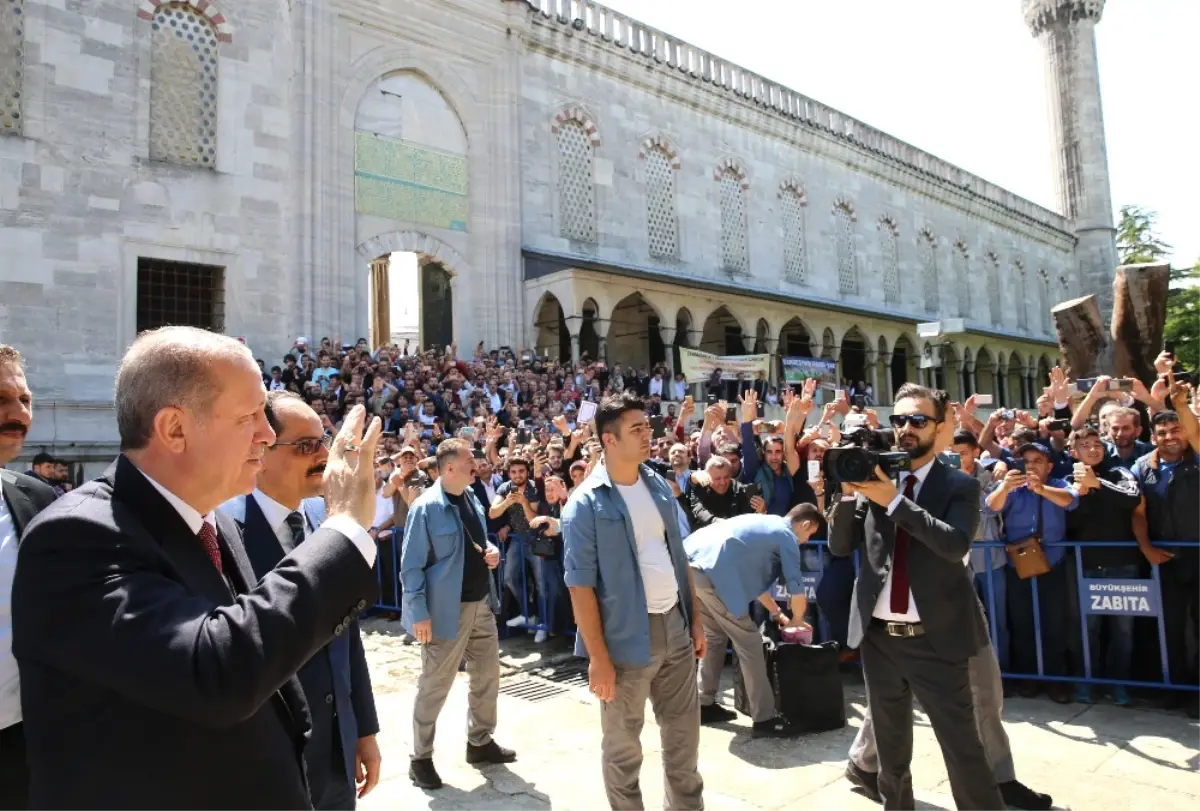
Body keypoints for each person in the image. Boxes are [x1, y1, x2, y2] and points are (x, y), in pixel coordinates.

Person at [11, 328, 383, 811]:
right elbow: (217, 670)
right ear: (174, 429)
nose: (267, 435)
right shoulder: (75, 538)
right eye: (249, 417)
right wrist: (346, 528)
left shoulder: (212, 522)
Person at [828, 383, 1004, 811]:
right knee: (890, 748)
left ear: (940, 427)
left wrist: (894, 502)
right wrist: (851, 494)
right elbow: (838, 546)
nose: (905, 428)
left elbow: (955, 544)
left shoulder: (958, 485)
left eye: (918, 420)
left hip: (937, 637)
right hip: (879, 636)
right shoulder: (875, 479)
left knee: (962, 746)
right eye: (899, 419)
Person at [219, 391, 381, 809]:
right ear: (261, 449)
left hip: (336, 752)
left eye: (323, 441)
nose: (324, 454)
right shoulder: (221, 532)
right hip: (270, 761)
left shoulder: (324, 521)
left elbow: (346, 634)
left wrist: (362, 728)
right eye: (306, 445)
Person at [562, 391, 705, 811]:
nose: (648, 436)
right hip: (623, 642)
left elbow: (678, 556)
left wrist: (694, 621)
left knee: (685, 745)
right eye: (637, 429)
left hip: (675, 629)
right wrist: (597, 658)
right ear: (609, 440)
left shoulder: (657, 485)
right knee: (623, 752)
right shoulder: (584, 505)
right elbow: (580, 587)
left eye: (648, 426)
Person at [400, 438, 513, 790]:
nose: (476, 465)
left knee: (487, 676)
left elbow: (478, 542)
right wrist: (419, 613)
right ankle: (420, 758)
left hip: (480, 604)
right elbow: (411, 567)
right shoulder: (426, 508)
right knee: (435, 685)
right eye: (468, 461)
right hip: (445, 612)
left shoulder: (470, 498)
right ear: (449, 467)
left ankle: (479, 742)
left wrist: (491, 551)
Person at [685, 507, 818, 736]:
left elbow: (758, 590)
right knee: (750, 643)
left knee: (715, 637)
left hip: (692, 568)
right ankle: (765, 719)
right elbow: (796, 589)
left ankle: (704, 705)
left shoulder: (764, 524)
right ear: (805, 524)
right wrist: (797, 619)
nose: (807, 541)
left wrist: (779, 615)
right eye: (810, 534)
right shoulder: (786, 535)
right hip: (713, 575)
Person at [0, 345, 58, 810]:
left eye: (24, 400)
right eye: (1, 400)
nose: (18, 413)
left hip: (22, 742)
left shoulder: (37, 500)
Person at [985, 440, 1079, 702]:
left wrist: (1042, 489)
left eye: (1038, 461)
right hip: (1019, 564)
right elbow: (991, 506)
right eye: (1027, 461)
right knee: (1022, 622)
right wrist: (1004, 486)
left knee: (1055, 623)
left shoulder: (1058, 484)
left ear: (1049, 465)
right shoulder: (1014, 489)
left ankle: (1057, 680)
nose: (1032, 466)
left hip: (1053, 563)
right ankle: (1028, 678)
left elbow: (1071, 501)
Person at [1131, 383, 1200, 718]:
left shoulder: (1198, 454)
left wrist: (1181, 405)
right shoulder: (1143, 466)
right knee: (1170, 628)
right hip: (1166, 557)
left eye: (1177, 430)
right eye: (1163, 432)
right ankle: (1175, 689)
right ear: (1153, 436)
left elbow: (1195, 433)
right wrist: (1146, 548)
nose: (1171, 436)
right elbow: (1139, 513)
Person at [1065, 425, 1143, 706]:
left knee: (1123, 630)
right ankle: (1086, 681)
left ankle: (1118, 684)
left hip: (1123, 566)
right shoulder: (1067, 480)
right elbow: (1067, 521)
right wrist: (1079, 493)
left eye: (1097, 443)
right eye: (1085, 445)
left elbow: (1132, 498)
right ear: (1074, 452)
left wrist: (1097, 485)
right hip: (1086, 566)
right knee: (1087, 629)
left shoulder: (1119, 472)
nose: (1093, 448)